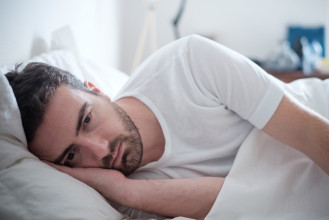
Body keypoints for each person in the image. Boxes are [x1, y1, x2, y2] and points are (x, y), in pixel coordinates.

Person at [6, 35, 329, 219]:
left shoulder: (189, 63)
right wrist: (124, 190)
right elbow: (246, 200)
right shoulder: (118, 190)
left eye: (87, 120)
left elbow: (306, 130)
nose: (101, 150)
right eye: (71, 156)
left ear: (97, 89)